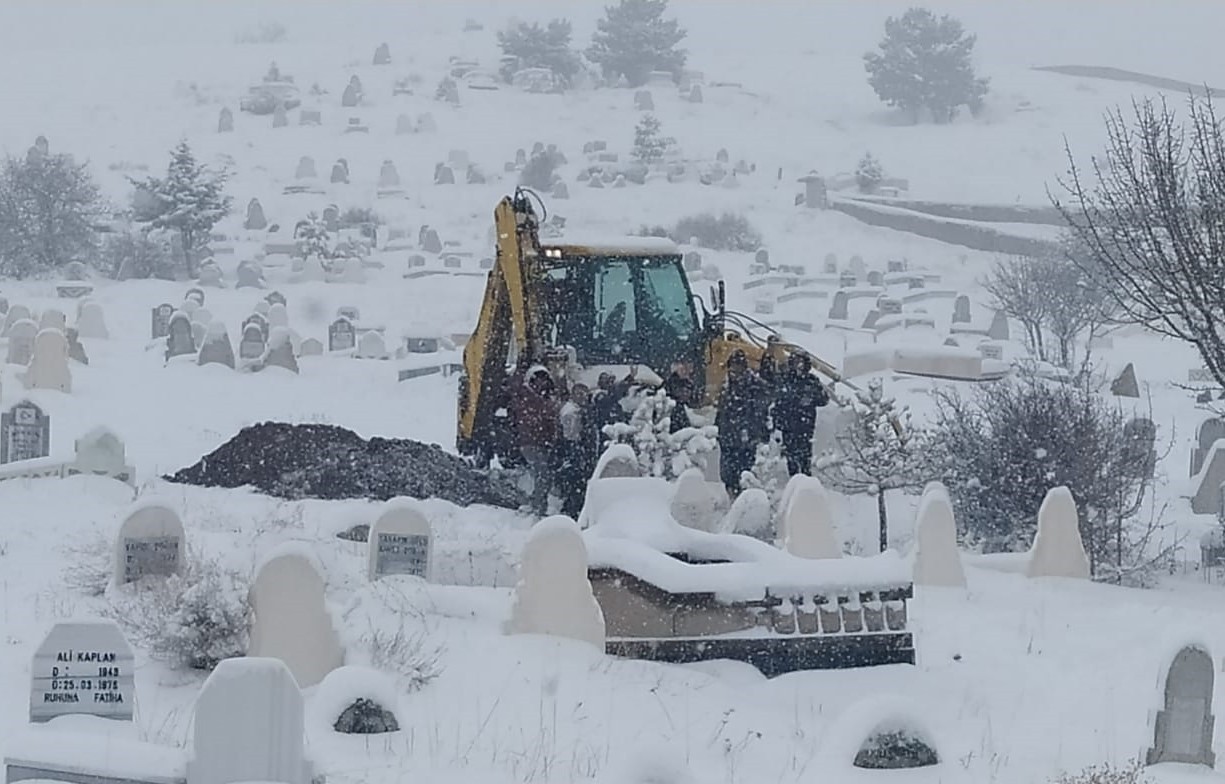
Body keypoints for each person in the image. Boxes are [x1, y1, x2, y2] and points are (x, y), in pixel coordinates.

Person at [715, 350, 769, 497]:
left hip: (746, 437)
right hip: (728, 436)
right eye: (732, 368)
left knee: (744, 472)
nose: (734, 372)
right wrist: (718, 429)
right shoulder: (727, 386)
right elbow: (721, 410)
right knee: (727, 474)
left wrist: (756, 432)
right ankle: (731, 494)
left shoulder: (755, 386)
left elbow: (760, 412)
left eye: (737, 368)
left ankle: (742, 497)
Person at [510, 366, 560, 515]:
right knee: (542, 475)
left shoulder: (534, 399)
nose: (542, 383)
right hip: (531, 443)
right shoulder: (527, 399)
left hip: (538, 443)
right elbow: (537, 418)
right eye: (539, 379)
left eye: (544, 380)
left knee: (543, 475)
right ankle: (538, 506)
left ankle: (536, 503)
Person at [771, 352, 830, 476]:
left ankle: (805, 482)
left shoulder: (811, 381)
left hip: (806, 427)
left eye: (801, 362)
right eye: (796, 362)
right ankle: (794, 482)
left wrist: (812, 398)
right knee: (791, 459)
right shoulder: (785, 380)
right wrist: (778, 425)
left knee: (805, 458)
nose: (799, 366)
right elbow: (778, 404)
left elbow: (824, 400)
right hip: (789, 427)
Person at [556, 383, 598, 518]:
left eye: (585, 394)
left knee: (580, 483)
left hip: (583, 452)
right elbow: (570, 435)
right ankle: (570, 513)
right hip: (576, 451)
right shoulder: (571, 411)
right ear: (572, 395)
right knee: (576, 483)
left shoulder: (582, 409)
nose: (583, 397)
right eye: (579, 394)